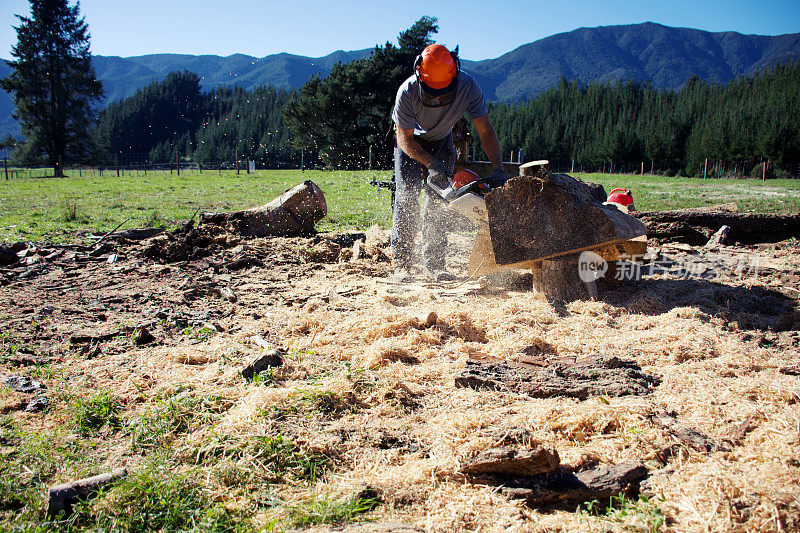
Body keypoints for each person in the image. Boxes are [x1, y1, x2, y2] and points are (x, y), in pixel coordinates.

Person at [391, 43, 506, 282]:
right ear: (420, 77)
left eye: (444, 92)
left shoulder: (468, 86)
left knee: (440, 201)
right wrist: (430, 163)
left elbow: (485, 130)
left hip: (442, 140)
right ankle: (403, 264)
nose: (439, 97)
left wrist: (498, 169)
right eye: (434, 93)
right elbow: (404, 138)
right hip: (410, 143)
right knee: (407, 196)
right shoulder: (407, 92)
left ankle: (435, 264)